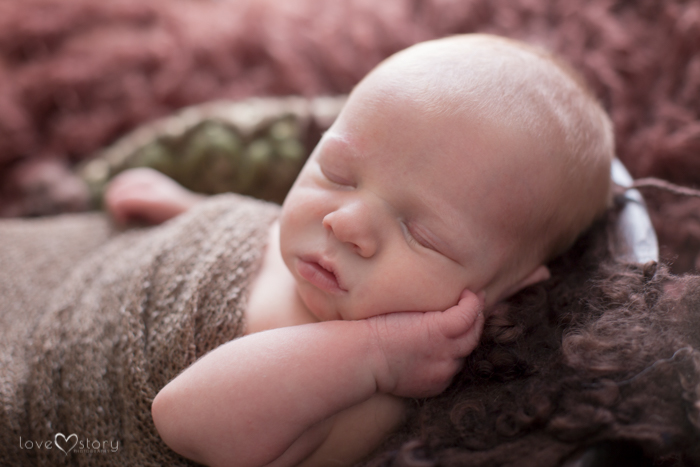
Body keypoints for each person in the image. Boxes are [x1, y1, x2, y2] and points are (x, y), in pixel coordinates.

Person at [104, 34, 613, 466]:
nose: (344, 222)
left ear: (506, 292)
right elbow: (261, 234)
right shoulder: (325, 255)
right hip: (107, 269)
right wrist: (196, 213)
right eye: (336, 173)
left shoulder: (370, 390)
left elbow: (182, 418)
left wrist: (376, 357)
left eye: (421, 234)